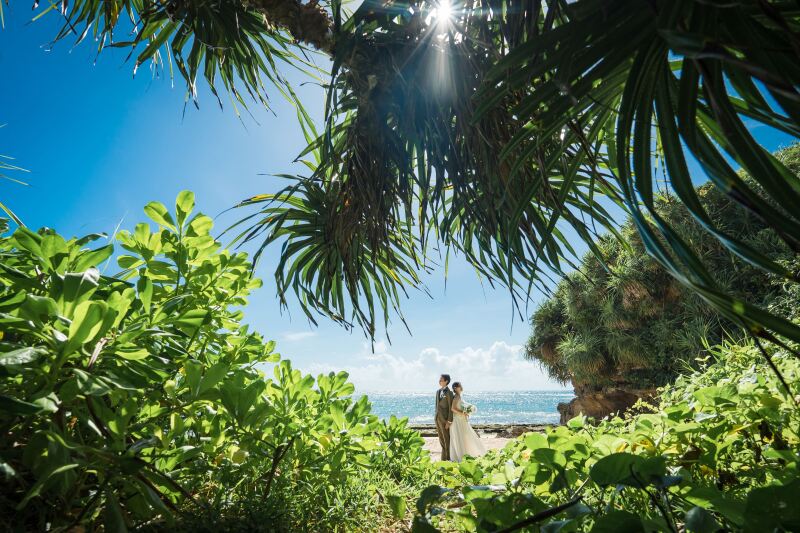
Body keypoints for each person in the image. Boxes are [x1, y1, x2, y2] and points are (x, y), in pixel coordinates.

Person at [449, 382, 485, 462]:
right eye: (456, 387)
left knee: (464, 437)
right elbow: (453, 408)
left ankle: (465, 454)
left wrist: (467, 410)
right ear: (454, 388)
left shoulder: (459, 396)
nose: (458, 387)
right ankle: (461, 456)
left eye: (458, 386)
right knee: (461, 437)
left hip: (461, 419)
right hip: (458, 420)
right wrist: (463, 413)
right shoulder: (457, 397)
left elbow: (460, 407)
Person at [435, 374, 454, 461]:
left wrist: (449, 421)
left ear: (446, 381)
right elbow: (437, 406)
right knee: (441, 440)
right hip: (438, 418)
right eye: (439, 379)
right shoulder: (438, 391)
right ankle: (443, 459)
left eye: (441, 379)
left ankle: (448, 458)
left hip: (445, 420)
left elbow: (451, 408)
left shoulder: (449, 393)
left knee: (447, 440)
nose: (439, 381)